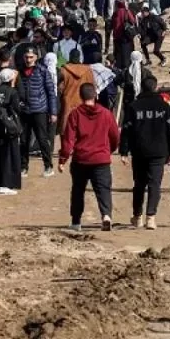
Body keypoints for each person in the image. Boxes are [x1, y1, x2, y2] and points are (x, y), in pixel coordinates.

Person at [59, 82, 121, 231]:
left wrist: (63, 158)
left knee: (78, 190)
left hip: (81, 158)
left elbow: (68, 139)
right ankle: (106, 215)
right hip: (101, 159)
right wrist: (109, 150)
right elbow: (115, 136)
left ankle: (76, 221)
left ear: (81, 96)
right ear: (95, 95)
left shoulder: (75, 114)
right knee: (103, 189)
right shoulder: (106, 113)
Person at [119, 73, 170, 230]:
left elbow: (126, 130)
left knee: (139, 184)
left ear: (142, 88)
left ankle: (138, 217)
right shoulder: (164, 107)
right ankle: (151, 217)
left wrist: (123, 151)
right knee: (154, 184)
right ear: (156, 88)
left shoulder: (134, 107)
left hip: (139, 151)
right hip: (159, 151)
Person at [17, 46, 57, 178]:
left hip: (39, 110)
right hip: (24, 111)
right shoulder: (19, 72)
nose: (28, 60)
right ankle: (23, 167)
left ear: (36, 57)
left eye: (31, 57)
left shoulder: (43, 71)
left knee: (42, 139)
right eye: (26, 57)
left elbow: (51, 92)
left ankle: (48, 166)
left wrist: (53, 112)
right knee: (24, 140)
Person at [0, 69, 23, 195]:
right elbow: (16, 110)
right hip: (8, 129)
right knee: (9, 156)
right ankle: (6, 185)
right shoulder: (12, 92)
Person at [110, 0, 139, 70]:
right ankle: (126, 68)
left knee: (118, 54)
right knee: (126, 54)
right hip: (126, 36)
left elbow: (112, 24)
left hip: (116, 37)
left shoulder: (115, 12)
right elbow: (133, 21)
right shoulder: (126, 11)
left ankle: (118, 68)